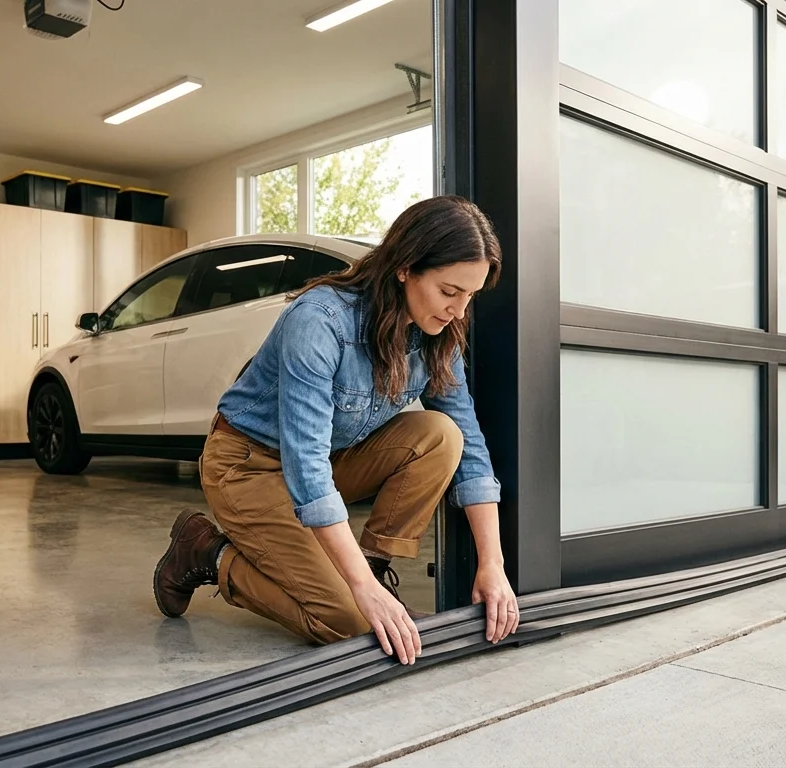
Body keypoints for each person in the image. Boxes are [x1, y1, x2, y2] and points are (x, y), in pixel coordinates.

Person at [151, 195, 519, 665]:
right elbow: (305, 464)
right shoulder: (320, 321)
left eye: (470, 296)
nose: (459, 312)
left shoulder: (438, 337)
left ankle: (369, 567)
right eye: (450, 292)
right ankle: (205, 552)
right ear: (405, 267)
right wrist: (358, 592)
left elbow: (469, 447)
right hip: (248, 468)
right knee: (353, 626)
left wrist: (493, 564)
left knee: (442, 434)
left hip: (329, 461)